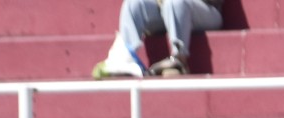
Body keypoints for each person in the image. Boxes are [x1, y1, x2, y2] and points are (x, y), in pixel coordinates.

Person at [94, 0, 225, 79]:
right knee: (133, 4)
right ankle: (126, 58)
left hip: (205, 11)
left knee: (175, 3)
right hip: (164, 8)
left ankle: (179, 61)